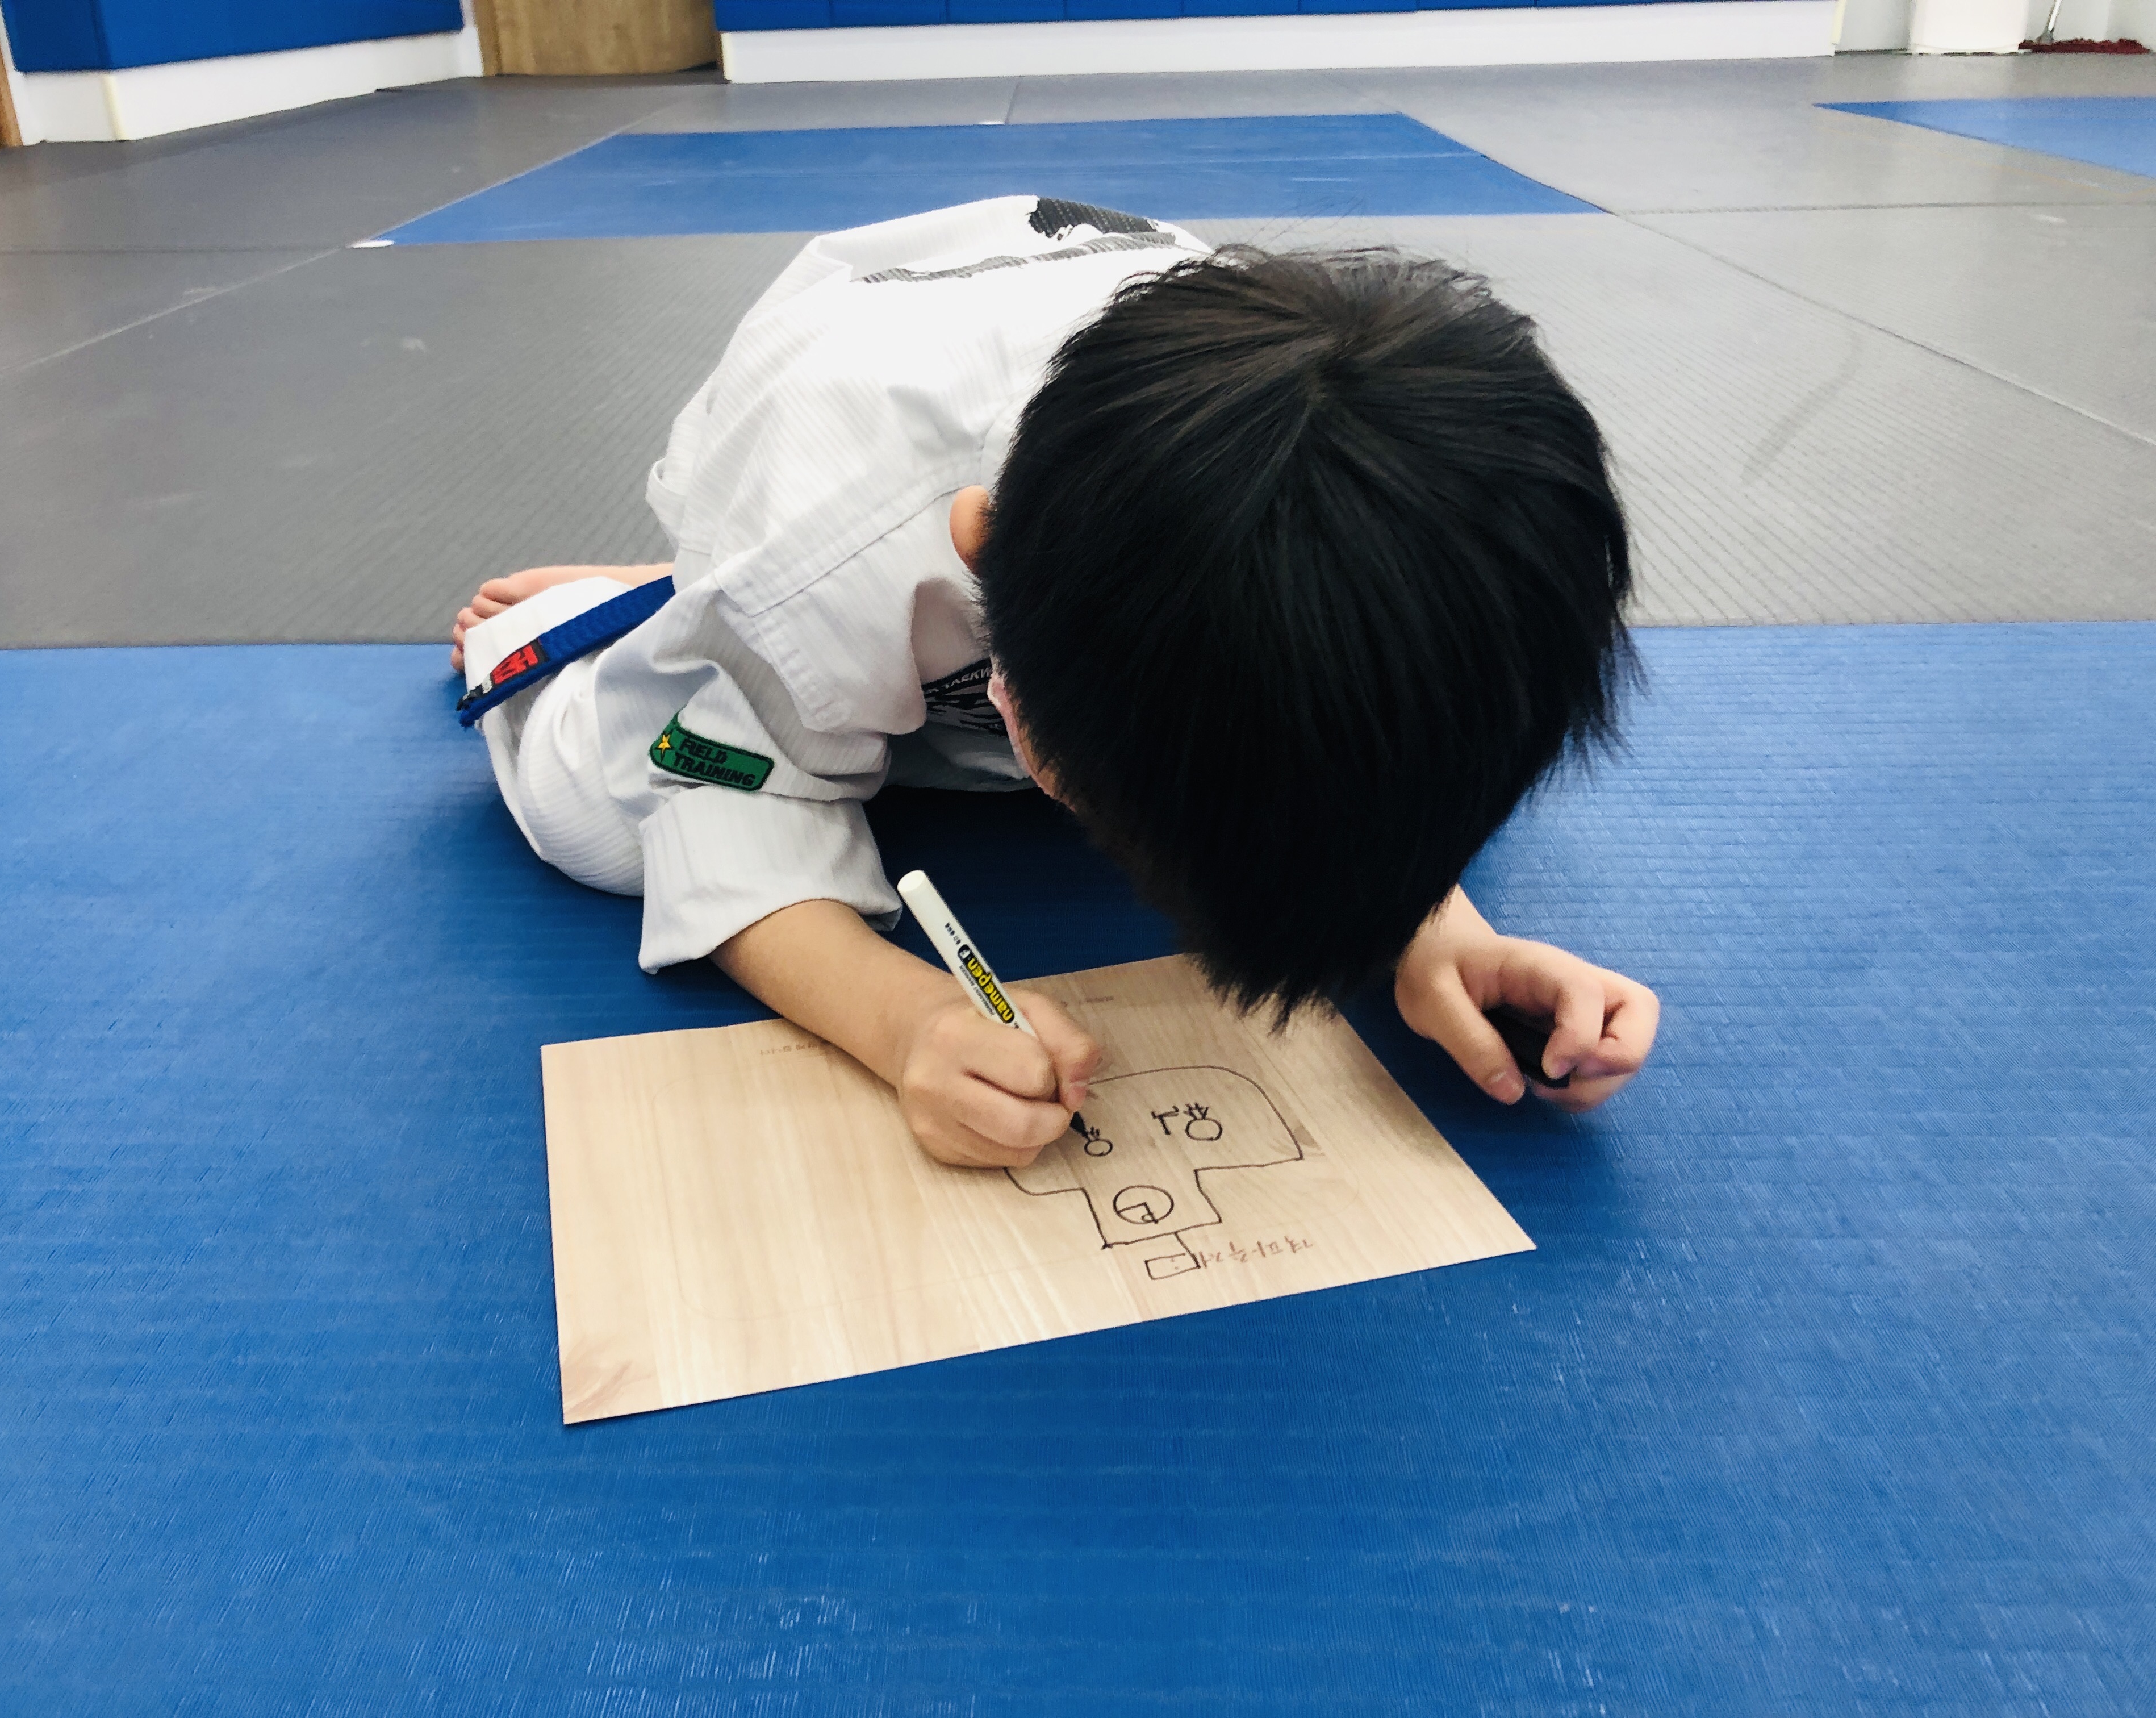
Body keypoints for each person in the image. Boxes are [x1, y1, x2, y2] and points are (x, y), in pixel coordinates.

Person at [451, 196, 1660, 1171]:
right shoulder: (828, 528)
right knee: (608, 820)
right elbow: (724, 799)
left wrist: (1428, 917)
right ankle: (663, 601)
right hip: (822, 472)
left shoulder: (1386, 488)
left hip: (1033, 512)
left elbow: (1352, 721)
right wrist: (907, 1021)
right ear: (982, 563)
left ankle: (733, 613)